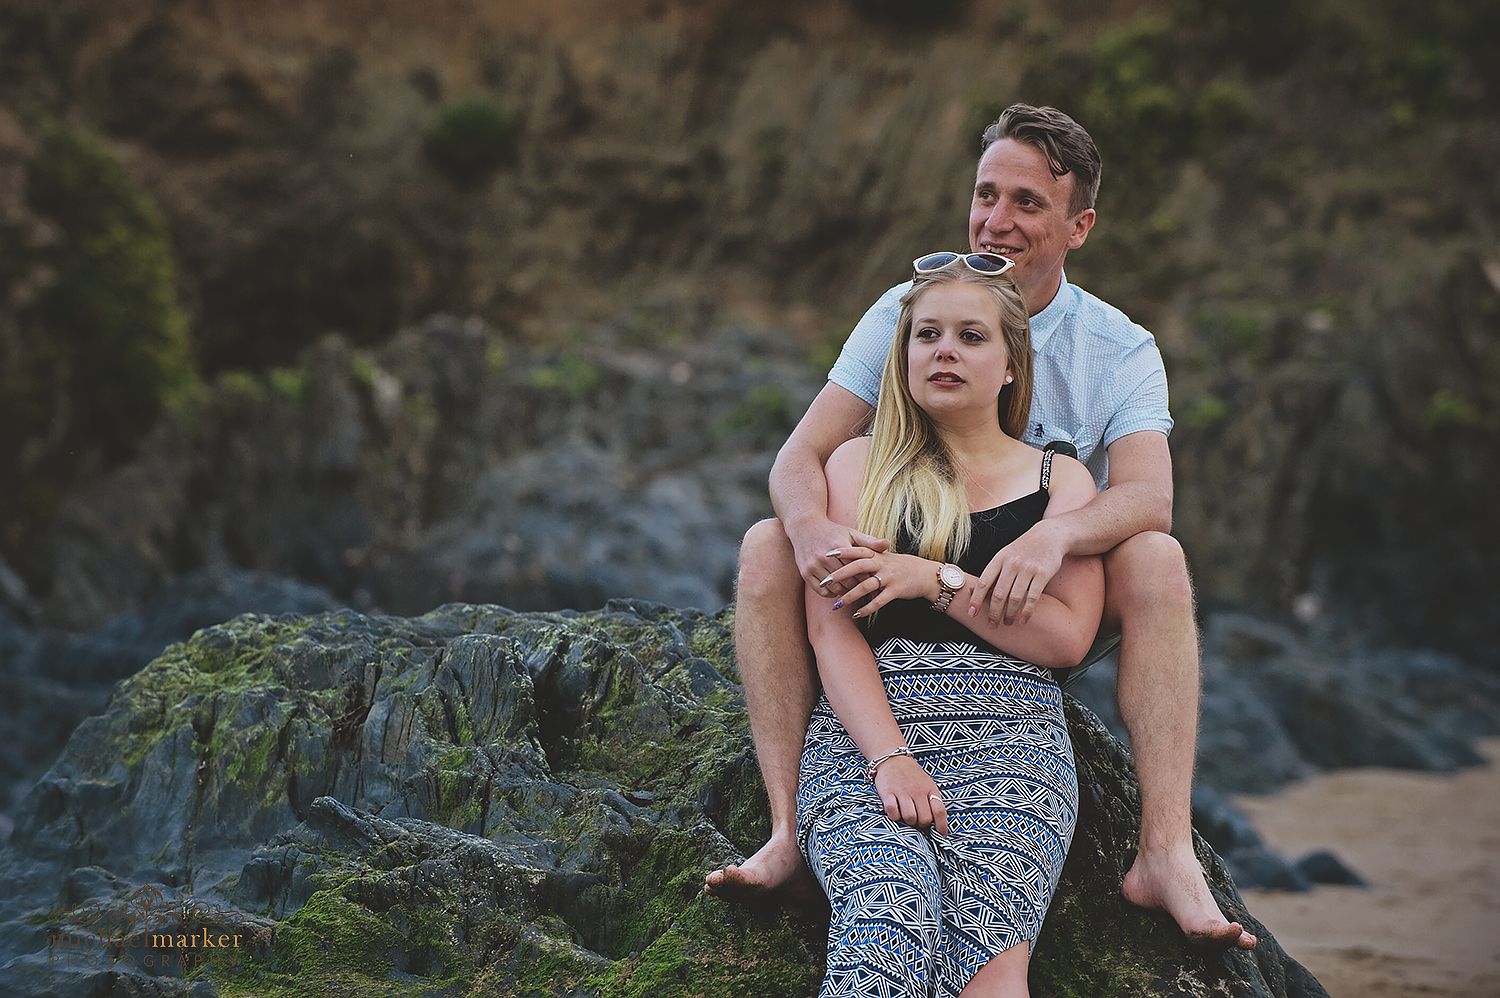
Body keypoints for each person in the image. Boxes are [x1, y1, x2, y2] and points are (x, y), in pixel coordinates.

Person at [705, 103, 1256, 951]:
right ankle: (786, 830)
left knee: (1157, 558)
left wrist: (1054, 535)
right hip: (896, 594)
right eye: (986, 194)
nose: (997, 221)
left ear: (1079, 226)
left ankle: (1165, 851)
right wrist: (812, 525)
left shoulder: (1119, 347)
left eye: (1028, 203)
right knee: (768, 542)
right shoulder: (912, 310)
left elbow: (1150, 497)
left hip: (1049, 603)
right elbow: (799, 457)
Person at [800, 251, 1102, 997]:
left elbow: (1066, 638)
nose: (944, 350)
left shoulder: (1057, 480)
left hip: (1013, 743)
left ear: (1008, 364)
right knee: (887, 918)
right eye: (926, 335)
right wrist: (889, 758)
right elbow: (831, 631)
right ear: (901, 357)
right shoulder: (855, 466)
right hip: (867, 735)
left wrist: (934, 580)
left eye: (971, 337)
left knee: (990, 970)